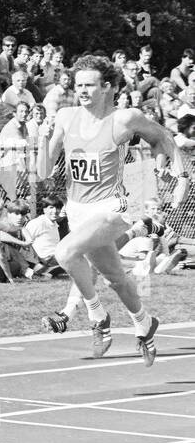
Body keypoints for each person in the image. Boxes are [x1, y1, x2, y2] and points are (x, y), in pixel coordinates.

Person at [37, 56, 175, 364]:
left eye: (89, 85)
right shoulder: (65, 116)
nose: (82, 90)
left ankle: (98, 318)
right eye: (79, 85)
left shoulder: (124, 118)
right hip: (77, 210)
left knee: (65, 253)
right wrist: (42, 140)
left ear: (107, 87)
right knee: (115, 277)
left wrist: (167, 165)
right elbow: (44, 171)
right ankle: (144, 323)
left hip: (113, 207)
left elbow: (160, 136)